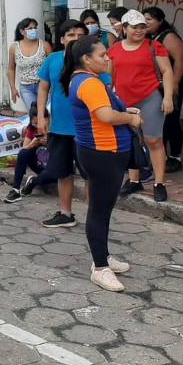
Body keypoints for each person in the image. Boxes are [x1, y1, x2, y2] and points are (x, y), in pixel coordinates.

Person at [64, 35, 139, 292]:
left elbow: (102, 111)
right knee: (99, 209)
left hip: (102, 150)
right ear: (86, 59)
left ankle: (103, 257)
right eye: (102, 55)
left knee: (103, 208)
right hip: (102, 151)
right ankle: (100, 267)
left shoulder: (85, 80)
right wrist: (129, 120)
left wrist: (126, 112)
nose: (107, 58)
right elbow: (105, 115)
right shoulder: (89, 83)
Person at [23, 20, 108, 228]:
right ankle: (65, 213)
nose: (76, 40)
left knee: (90, 174)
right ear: (62, 39)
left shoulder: (92, 63)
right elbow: (43, 88)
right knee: (62, 172)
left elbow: (106, 88)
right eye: (71, 35)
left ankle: (93, 218)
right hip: (59, 128)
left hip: (87, 129)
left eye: (81, 36)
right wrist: (41, 115)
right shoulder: (52, 60)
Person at [109, 10, 174, 202]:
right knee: (130, 141)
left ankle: (159, 182)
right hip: (124, 101)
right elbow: (108, 78)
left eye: (142, 27)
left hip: (149, 98)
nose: (139, 31)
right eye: (134, 27)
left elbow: (167, 71)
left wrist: (168, 97)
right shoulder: (114, 50)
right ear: (125, 28)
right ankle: (134, 180)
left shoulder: (155, 46)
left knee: (153, 140)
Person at [144, 6, 183, 173]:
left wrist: (175, 82)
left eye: (149, 19)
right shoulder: (150, 37)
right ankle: (162, 156)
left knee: (172, 120)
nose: (146, 22)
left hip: (171, 83)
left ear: (160, 20)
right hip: (157, 85)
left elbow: (180, 60)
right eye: (145, 19)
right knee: (159, 121)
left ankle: (175, 156)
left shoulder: (168, 36)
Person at [3, 103, 48, 203]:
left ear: (47, 119)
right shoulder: (31, 130)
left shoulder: (55, 130)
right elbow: (24, 149)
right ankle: (15, 190)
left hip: (53, 168)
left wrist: (49, 142)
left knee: (54, 176)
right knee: (23, 153)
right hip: (38, 164)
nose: (37, 126)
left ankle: (33, 182)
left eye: (39, 123)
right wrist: (33, 144)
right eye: (34, 123)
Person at [7, 17, 51, 111]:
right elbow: (11, 68)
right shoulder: (14, 47)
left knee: (47, 112)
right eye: (30, 28)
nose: (33, 30)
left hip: (43, 84)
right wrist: (13, 88)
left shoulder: (45, 45)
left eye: (35, 28)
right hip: (26, 88)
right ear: (22, 31)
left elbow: (52, 66)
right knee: (34, 113)